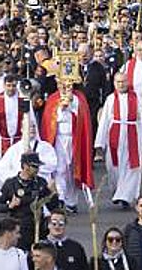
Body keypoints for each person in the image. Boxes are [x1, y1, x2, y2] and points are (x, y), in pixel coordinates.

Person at [95, 72, 142, 209]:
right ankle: (118, 192)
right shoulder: (111, 99)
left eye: (123, 81)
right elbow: (104, 121)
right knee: (113, 167)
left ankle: (125, 196)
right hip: (115, 135)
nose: (121, 84)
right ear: (114, 83)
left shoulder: (136, 97)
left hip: (133, 134)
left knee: (133, 167)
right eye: (118, 82)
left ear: (128, 82)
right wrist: (99, 143)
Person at [40, 81, 94, 212]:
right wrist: (61, 108)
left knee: (73, 169)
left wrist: (72, 103)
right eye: (62, 85)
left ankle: (72, 201)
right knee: (60, 169)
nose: (65, 88)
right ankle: (61, 199)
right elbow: (49, 120)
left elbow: (82, 116)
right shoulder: (53, 99)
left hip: (75, 139)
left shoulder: (79, 98)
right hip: (59, 139)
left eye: (68, 85)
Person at [0, 152, 56, 250]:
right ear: (25, 166)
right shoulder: (11, 183)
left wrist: (52, 193)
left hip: (38, 226)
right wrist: (10, 206)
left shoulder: (41, 183)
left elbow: (53, 207)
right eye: (34, 166)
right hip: (19, 228)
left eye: (38, 166)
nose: (37, 169)